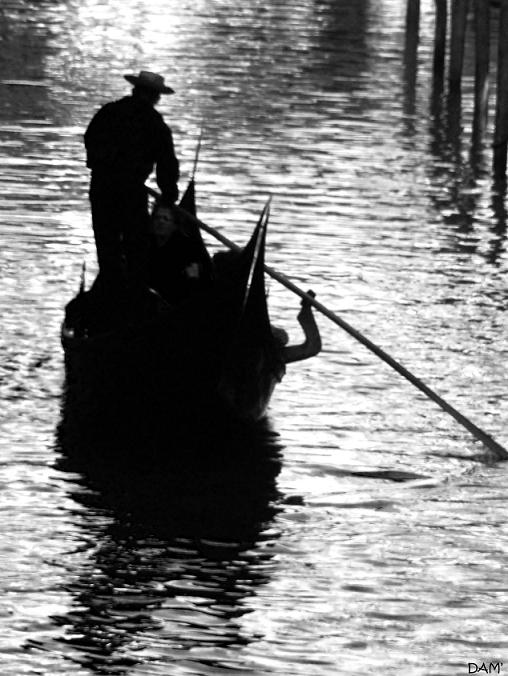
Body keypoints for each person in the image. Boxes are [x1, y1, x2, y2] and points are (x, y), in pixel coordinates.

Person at [84, 70, 180, 291]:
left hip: (101, 188)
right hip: (131, 191)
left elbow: (90, 139)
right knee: (136, 248)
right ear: (155, 97)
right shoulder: (155, 124)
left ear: (136, 90)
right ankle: (132, 297)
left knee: (107, 247)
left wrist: (99, 166)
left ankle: (110, 290)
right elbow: (167, 164)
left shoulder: (109, 112)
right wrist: (168, 196)